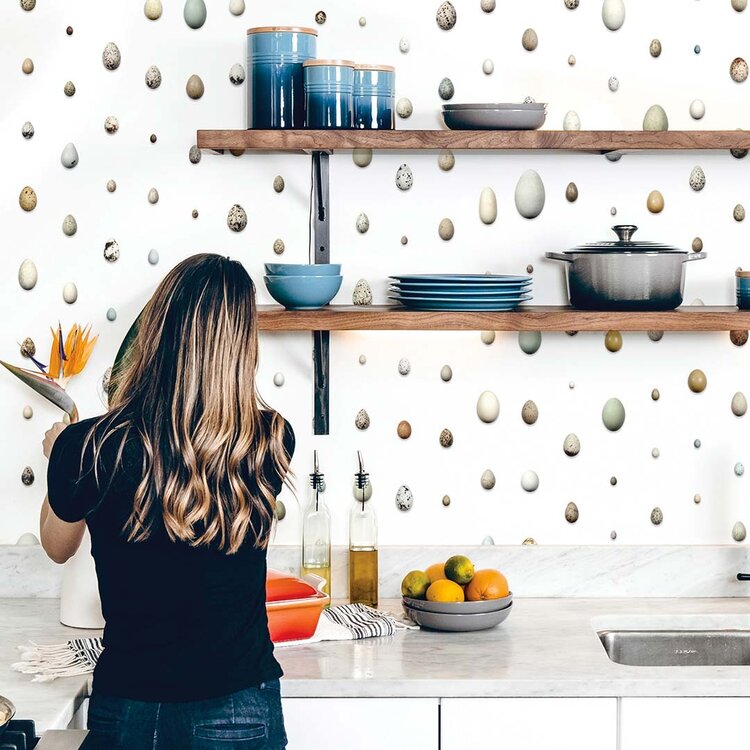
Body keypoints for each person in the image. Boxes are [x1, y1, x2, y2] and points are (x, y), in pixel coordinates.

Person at [40, 253, 295, 749]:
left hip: (129, 708)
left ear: (155, 329)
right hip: (238, 705)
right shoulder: (268, 440)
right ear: (242, 346)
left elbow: (56, 545)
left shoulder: (89, 445)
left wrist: (59, 458)